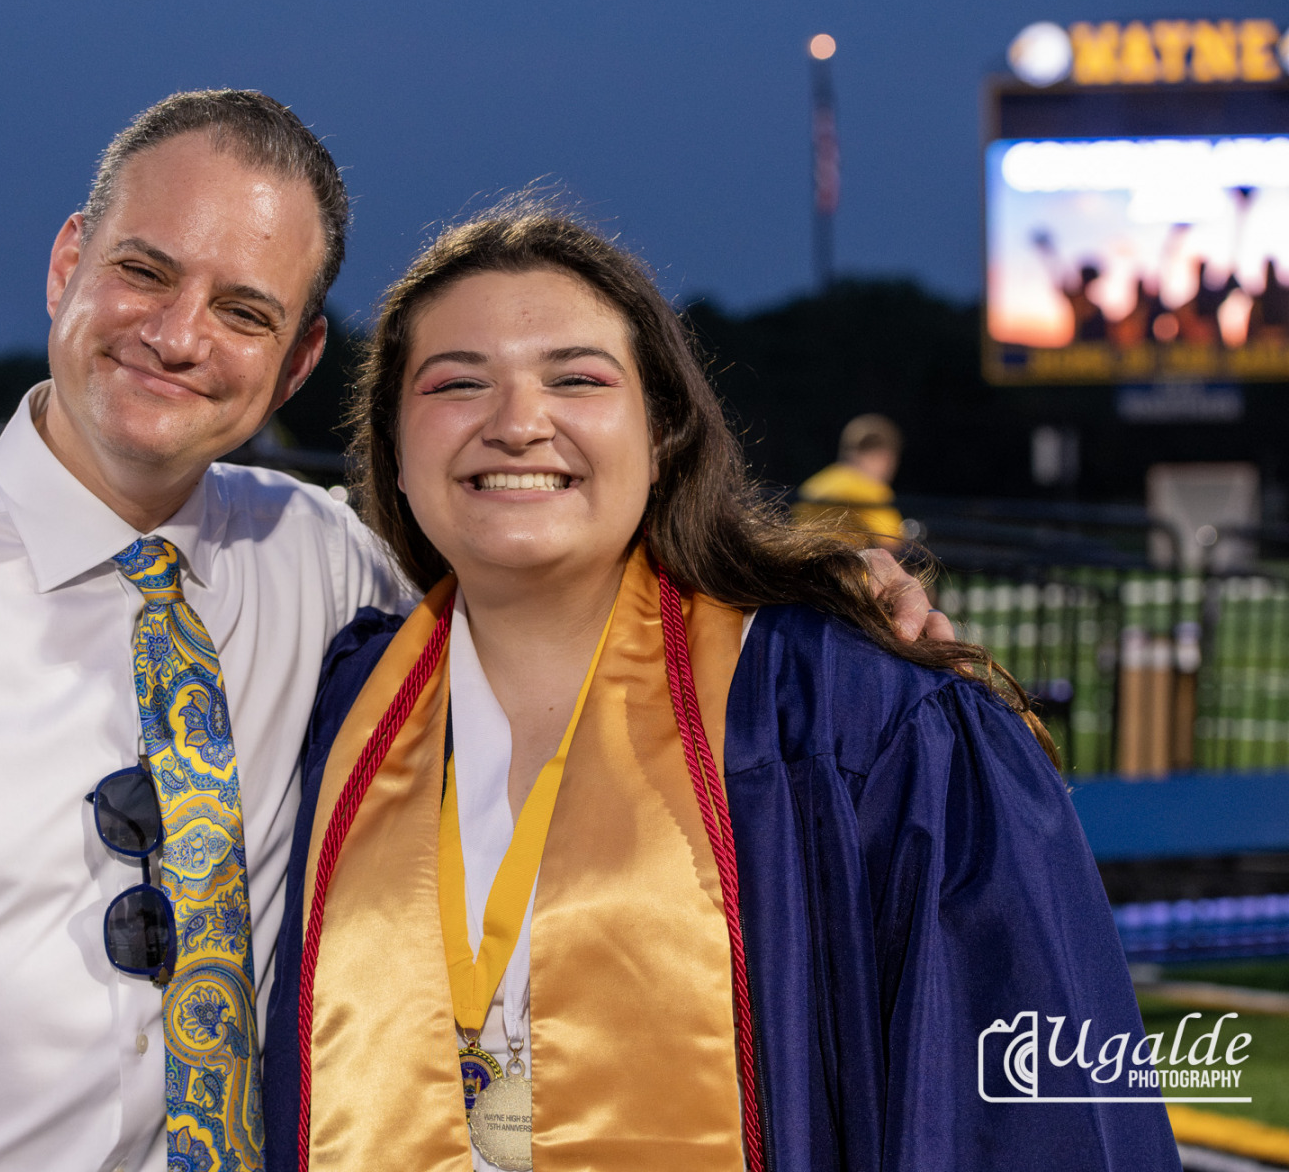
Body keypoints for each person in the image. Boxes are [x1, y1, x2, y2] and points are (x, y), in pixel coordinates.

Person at [0, 93, 944, 1171]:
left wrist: (822, 593)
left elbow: (560, 590)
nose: (178, 336)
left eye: (243, 311)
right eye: (143, 271)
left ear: (295, 364)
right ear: (66, 262)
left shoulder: (325, 563)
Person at [262, 205, 1174, 1171]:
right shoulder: (335, 709)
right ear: (395, 452)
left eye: (577, 379)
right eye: (457, 384)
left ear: (662, 433)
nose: (518, 423)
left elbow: (1021, 1122)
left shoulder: (847, 719)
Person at [793, 413, 904, 550]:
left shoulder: (813, 485)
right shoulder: (871, 491)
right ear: (885, 456)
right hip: (849, 563)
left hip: (806, 560)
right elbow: (890, 543)